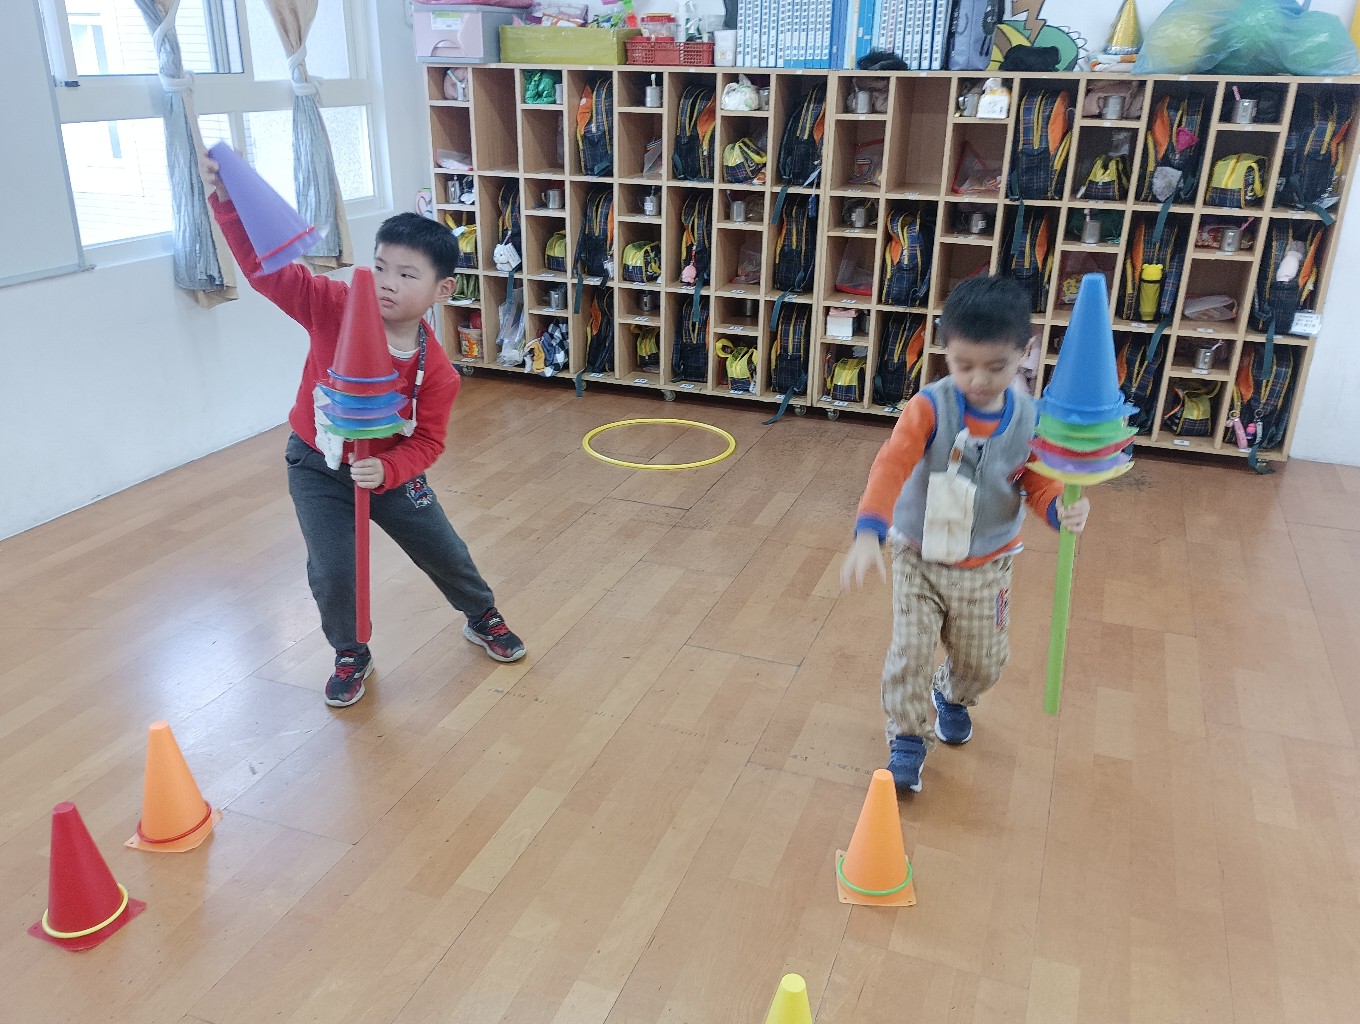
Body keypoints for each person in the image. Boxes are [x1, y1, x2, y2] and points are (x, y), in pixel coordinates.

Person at [199, 151, 525, 709]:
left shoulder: (437, 372)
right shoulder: (333, 305)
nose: (387, 283)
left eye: (407, 274)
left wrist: (390, 469)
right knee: (333, 569)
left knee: (443, 549)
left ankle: (481, 615)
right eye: (380, 267)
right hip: (317, 465)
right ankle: (350, 651)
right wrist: (229, 205)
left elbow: (429, 442)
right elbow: (270, 274)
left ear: (443, 290)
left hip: (389, 472)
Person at [841, 275, 1090, 793]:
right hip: (919, 557)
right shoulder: (930, 407)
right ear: (946, 351)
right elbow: (892, 464)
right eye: (963, 365)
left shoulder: (1030, 417)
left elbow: (1037, 481)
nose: (978, 380)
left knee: (985, 663)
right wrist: (869, 529)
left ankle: (951, 695)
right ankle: (907, 738)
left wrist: (1057, 510)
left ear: (1024, 352)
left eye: (996, 367)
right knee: (909, 653)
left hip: (987, 565)